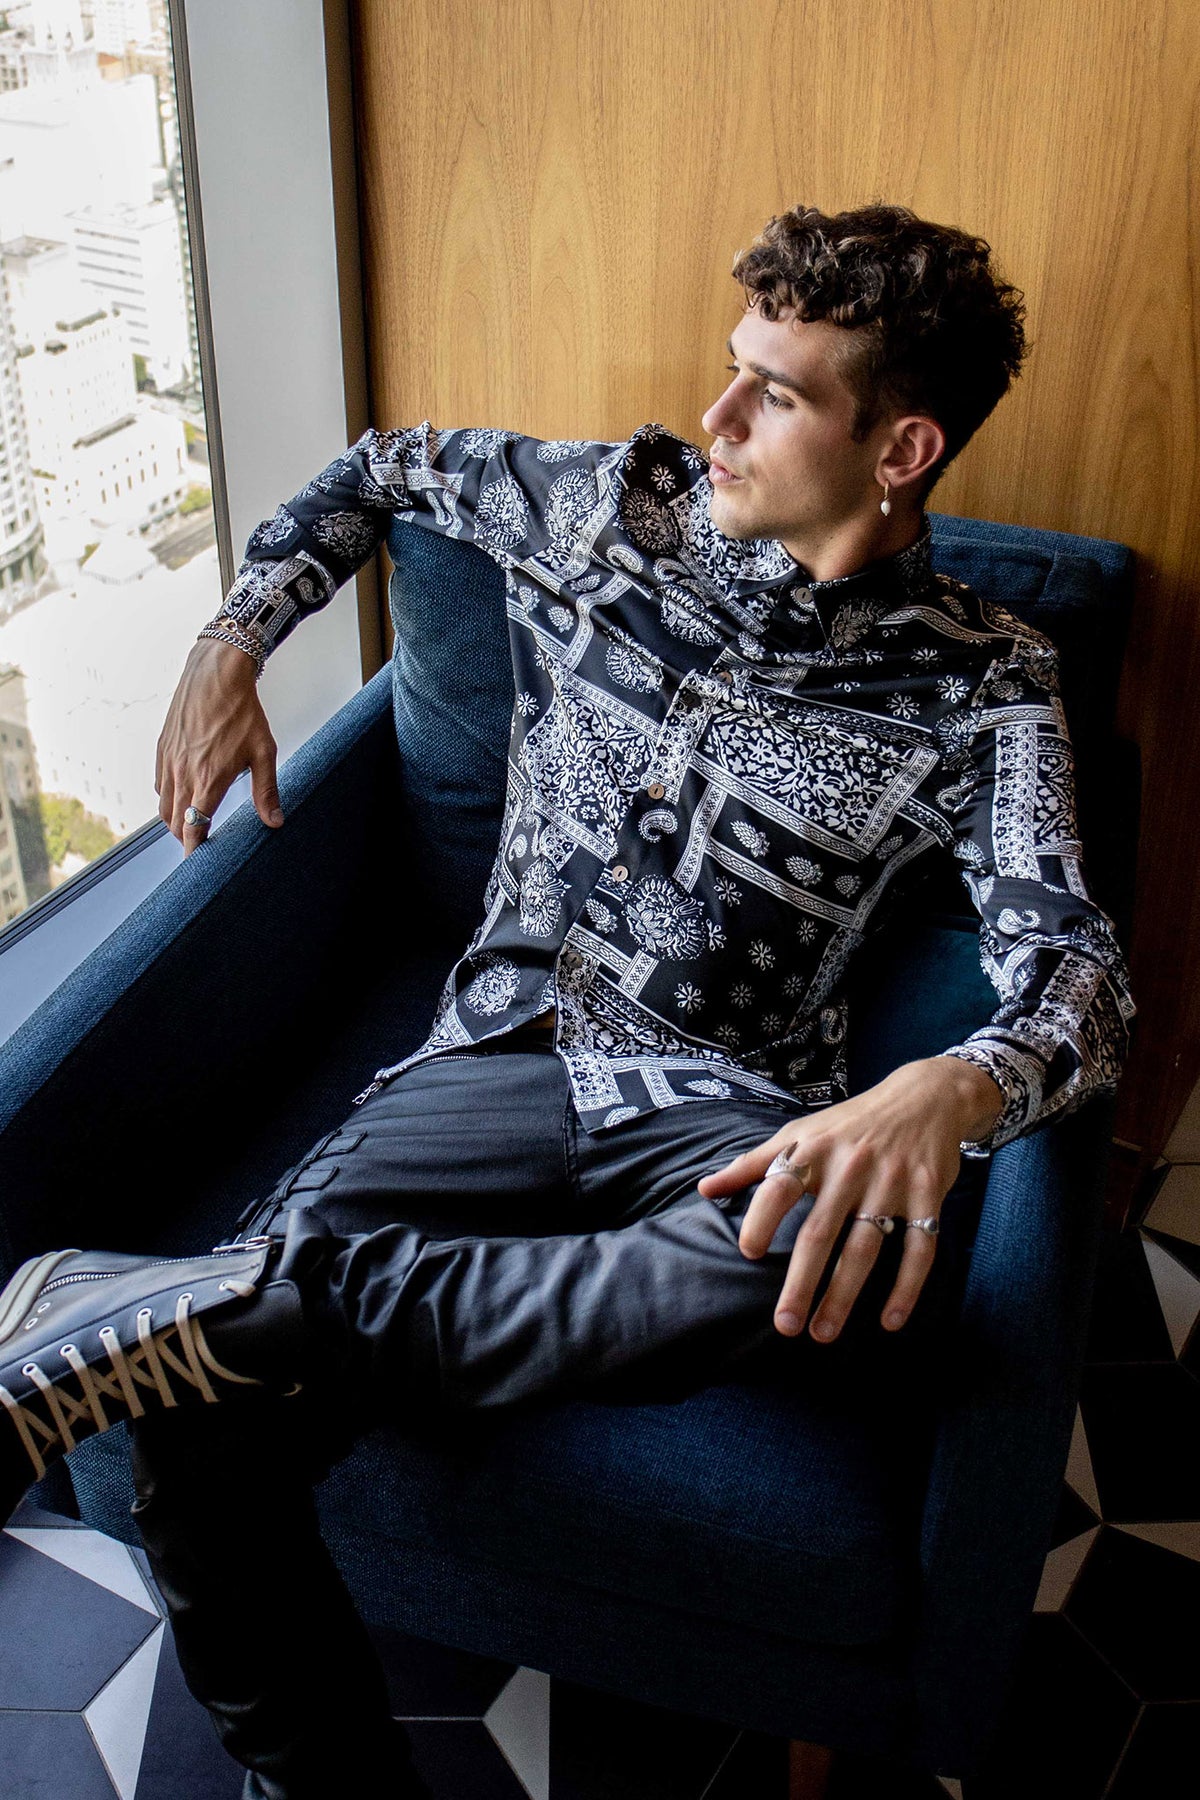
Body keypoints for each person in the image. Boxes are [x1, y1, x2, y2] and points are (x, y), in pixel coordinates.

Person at [0, 203, 1135, 1798]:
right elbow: (382, 465)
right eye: (730, 371)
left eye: (777, 395)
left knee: (841, 1250)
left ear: (903, 447)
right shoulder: (610, 503)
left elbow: (1076, 973)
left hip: (725, 1113)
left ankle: (227, 1305)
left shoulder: (985, 677)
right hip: (489, 1058)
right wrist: (229, 636)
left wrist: (955, 1086)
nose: (716, 417)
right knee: (200, 1438)